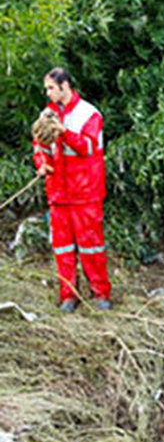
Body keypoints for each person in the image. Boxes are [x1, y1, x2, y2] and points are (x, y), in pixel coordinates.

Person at [30, 67, 112, 312]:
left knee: (92, 246)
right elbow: (39, 145)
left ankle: (101, 294)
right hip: (58, 192)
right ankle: (69, 295)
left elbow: (88, 147)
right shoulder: (47, 114)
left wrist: (64, 133)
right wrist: (42, 164)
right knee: (62, 248)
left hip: (85, 192)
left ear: (65, 86)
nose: (48, 93)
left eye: (51, 88)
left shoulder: (90, 114)